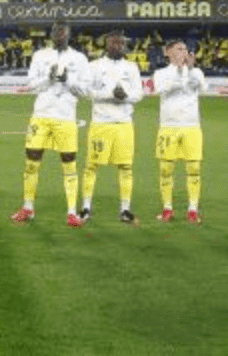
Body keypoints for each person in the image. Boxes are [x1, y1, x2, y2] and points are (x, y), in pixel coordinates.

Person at [14, 22, 90, 226]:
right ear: (51, 35)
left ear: (69, 34)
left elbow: (85, 91)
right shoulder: (40, 56)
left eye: (63, 32)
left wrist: (68, 80)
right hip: (41, 114)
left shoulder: (79, 59)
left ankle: (72, 212)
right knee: (32, 159)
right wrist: (48, 78)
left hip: (65, 116)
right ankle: (28, 208)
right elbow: (31, 84)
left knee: (68, 161)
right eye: (56, 32)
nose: (59, 35)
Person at [80, 30, 144, 223]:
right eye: (113, 43)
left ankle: (125, 210)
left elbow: (139, 94)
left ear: (123, 45)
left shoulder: (131, 67)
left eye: (119, 43)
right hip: (101, 123)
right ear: (106, 44)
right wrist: (110, 94)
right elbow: (86, 91)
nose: (116, 46)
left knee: (126, 167)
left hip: (124, 124)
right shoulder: (94, 66)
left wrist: (125, 96)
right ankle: (85, 208)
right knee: (91, 166)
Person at [152, 39, 206, 223]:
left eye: (185, 49)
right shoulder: (160, 73)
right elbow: (163, 89)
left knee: (194, 168)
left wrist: (189, 71)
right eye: (178, 49)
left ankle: (192, 209)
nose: (184, 52)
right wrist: (181, 73)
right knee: (166, 169)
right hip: (168, 127)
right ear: (167, 53)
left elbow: (202, 89)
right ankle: (167, 209)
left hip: (191, 126)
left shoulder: (196, 72)